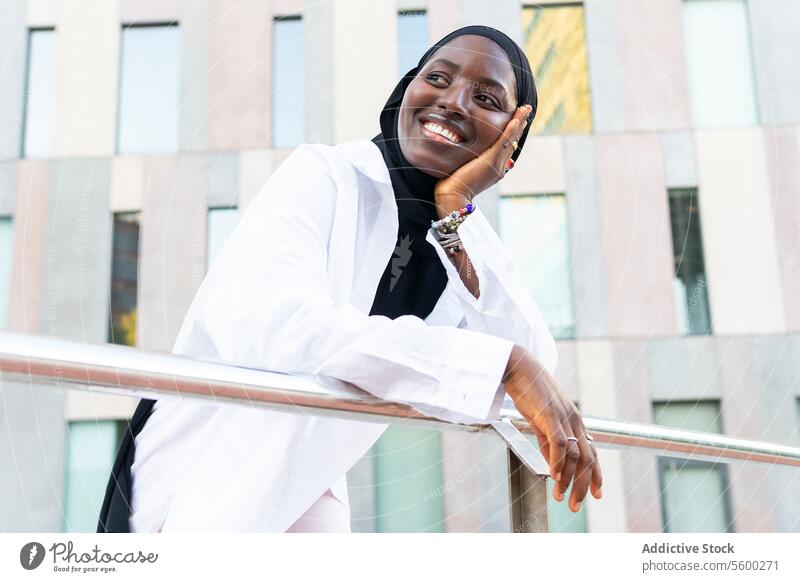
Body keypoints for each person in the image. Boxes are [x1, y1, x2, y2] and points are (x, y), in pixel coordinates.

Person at [97, 24, 602, 534]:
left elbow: (533, 356)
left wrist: (455, 218)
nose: (452, 102)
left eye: (486, 98)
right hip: (194, 484)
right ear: (407, 89)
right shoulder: (321, 175)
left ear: (509, 142)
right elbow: (281, 329)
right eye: (438, 78)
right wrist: (501, 367)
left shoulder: (453, 240)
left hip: (303, 490)